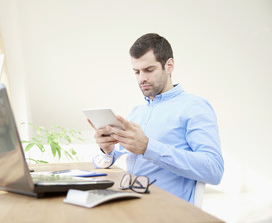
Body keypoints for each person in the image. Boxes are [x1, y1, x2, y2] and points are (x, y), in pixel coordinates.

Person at [91, 33, 224, 204]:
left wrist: (148, 147)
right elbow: (102, 163)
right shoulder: (136, 112)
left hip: (166, 212)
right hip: (131, 204)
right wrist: (106, 150)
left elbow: (214, 169)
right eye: (136, 72)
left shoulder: (194, 107)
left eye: (149, 70)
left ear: (169, 66)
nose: (142, 78)